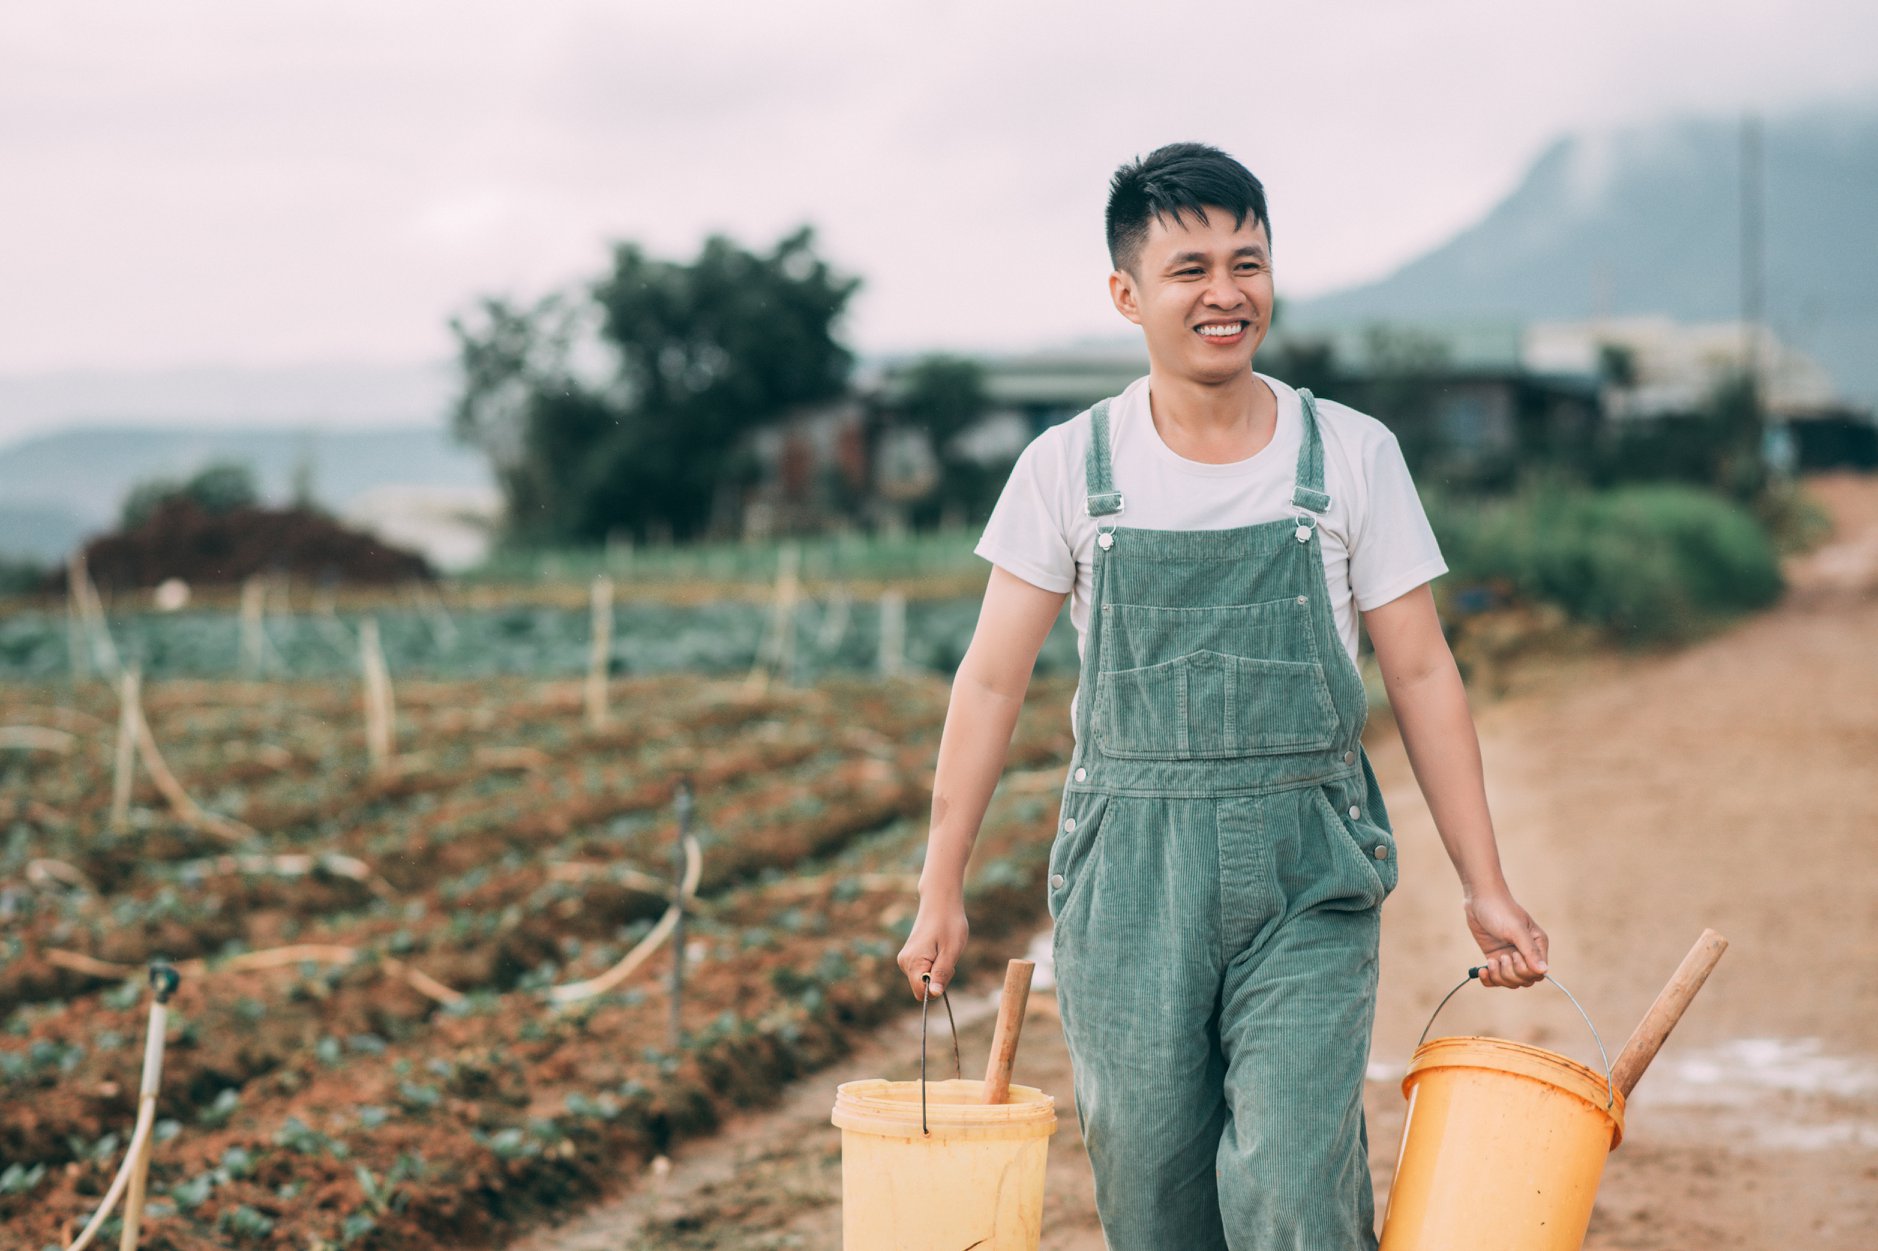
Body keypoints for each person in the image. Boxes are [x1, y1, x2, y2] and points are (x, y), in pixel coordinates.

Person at [895, 141, 1551, 1250]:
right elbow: (992, 682)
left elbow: (1424, 670)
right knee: (1155, 1203)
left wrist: (1486, 885)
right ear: (1127, 294)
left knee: (1292, 1185)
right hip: (1127, 879)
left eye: (1247, 262)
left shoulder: (1349, 454)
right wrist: (939, 889)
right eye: (1190, 268)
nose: (1224, 293)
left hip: (1310, 865)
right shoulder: (1068, 469)